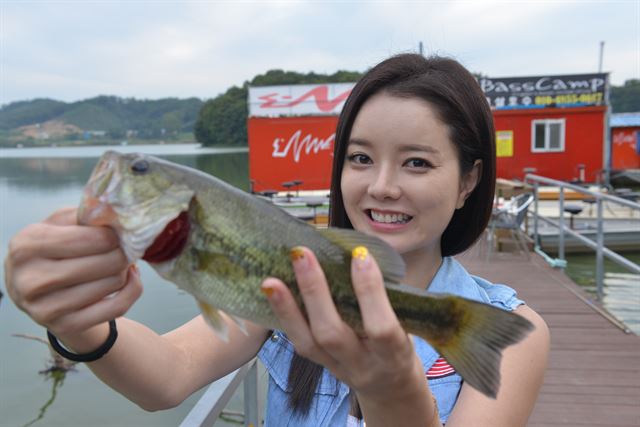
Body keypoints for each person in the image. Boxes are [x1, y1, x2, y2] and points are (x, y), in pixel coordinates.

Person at [5, 53, 549, 427]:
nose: (382, 186)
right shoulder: (288, 277)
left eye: (417, 163)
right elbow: (168, 375)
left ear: (469, 181)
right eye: (360, 158)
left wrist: (392, 393)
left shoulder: (511, 331)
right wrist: (75, 321)